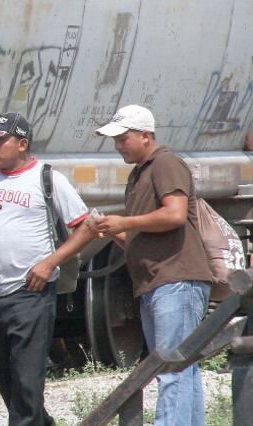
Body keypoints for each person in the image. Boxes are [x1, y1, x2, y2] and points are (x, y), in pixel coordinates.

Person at [0, 112, 95, 426]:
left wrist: (50, 262)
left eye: (0, 139)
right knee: (11, 386)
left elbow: (86, 227)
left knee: (26, 384)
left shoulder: (47, 178)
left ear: (23, 143)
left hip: (32, 297)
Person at [94, 105, 213, 426]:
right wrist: (118, 232)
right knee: (180, 367)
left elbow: (174, 214)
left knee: (171, 367)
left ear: (146, 136)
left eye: (123, 138)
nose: (118, 146)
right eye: (115, 140)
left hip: (176, 278)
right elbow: (145, 233)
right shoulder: (140, 172)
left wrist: (125, 221)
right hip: (159, 281)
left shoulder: (165, 163)